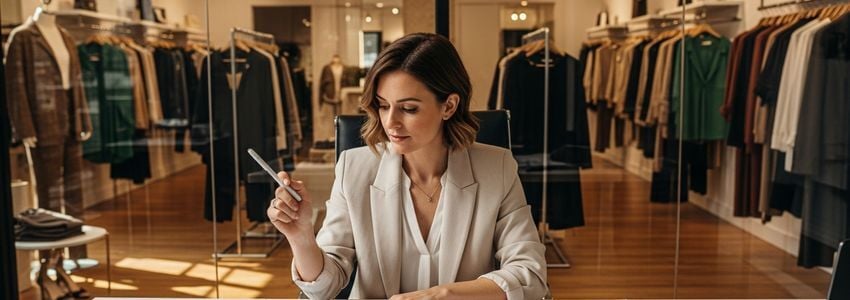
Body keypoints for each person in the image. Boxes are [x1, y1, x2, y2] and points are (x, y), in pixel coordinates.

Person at [268, 33, 548, 299]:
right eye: (383, 105)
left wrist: (443, 295)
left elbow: (530, 274)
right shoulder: (353, 168)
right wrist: (301, 236)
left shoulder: (497, 168)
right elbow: (323, 290)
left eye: (409, 108)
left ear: (449, 106)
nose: (390, 122)